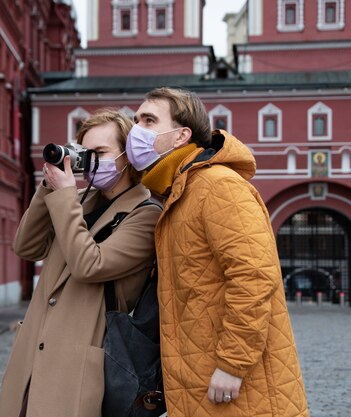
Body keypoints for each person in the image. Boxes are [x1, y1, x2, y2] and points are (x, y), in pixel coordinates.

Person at [127, 87, 309, 417]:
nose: (136, 129)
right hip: (198, 376)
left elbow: (253, 279)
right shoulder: (178, 192)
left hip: (232, 382)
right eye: (135, 119)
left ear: (181, 135)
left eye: (149, 120)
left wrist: (232, 364)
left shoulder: (216, 186)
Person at [0, 109, 161, 417]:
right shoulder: (80, 202)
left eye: (100, 152)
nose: (90, 161)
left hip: (80, 363)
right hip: (35, 353)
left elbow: (90, 264)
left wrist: (65, 197)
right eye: (85, 153)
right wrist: (49, 188)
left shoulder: (145, 213)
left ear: (127, 156)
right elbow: (27, 246)